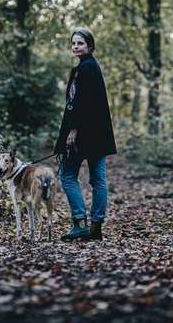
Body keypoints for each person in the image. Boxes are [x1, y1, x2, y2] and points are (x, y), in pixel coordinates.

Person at [54, 27, 117, 241]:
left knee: (67, 175)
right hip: (96, 133)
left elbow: (81, 102)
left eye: (80, 43)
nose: (75, 46)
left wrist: (73, 129)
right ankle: (95, 227)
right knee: (98, 180)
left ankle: (80, 223)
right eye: (73, 43)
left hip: (83, 133)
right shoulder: (91, 67)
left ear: (89, 45)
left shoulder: (85, 68)